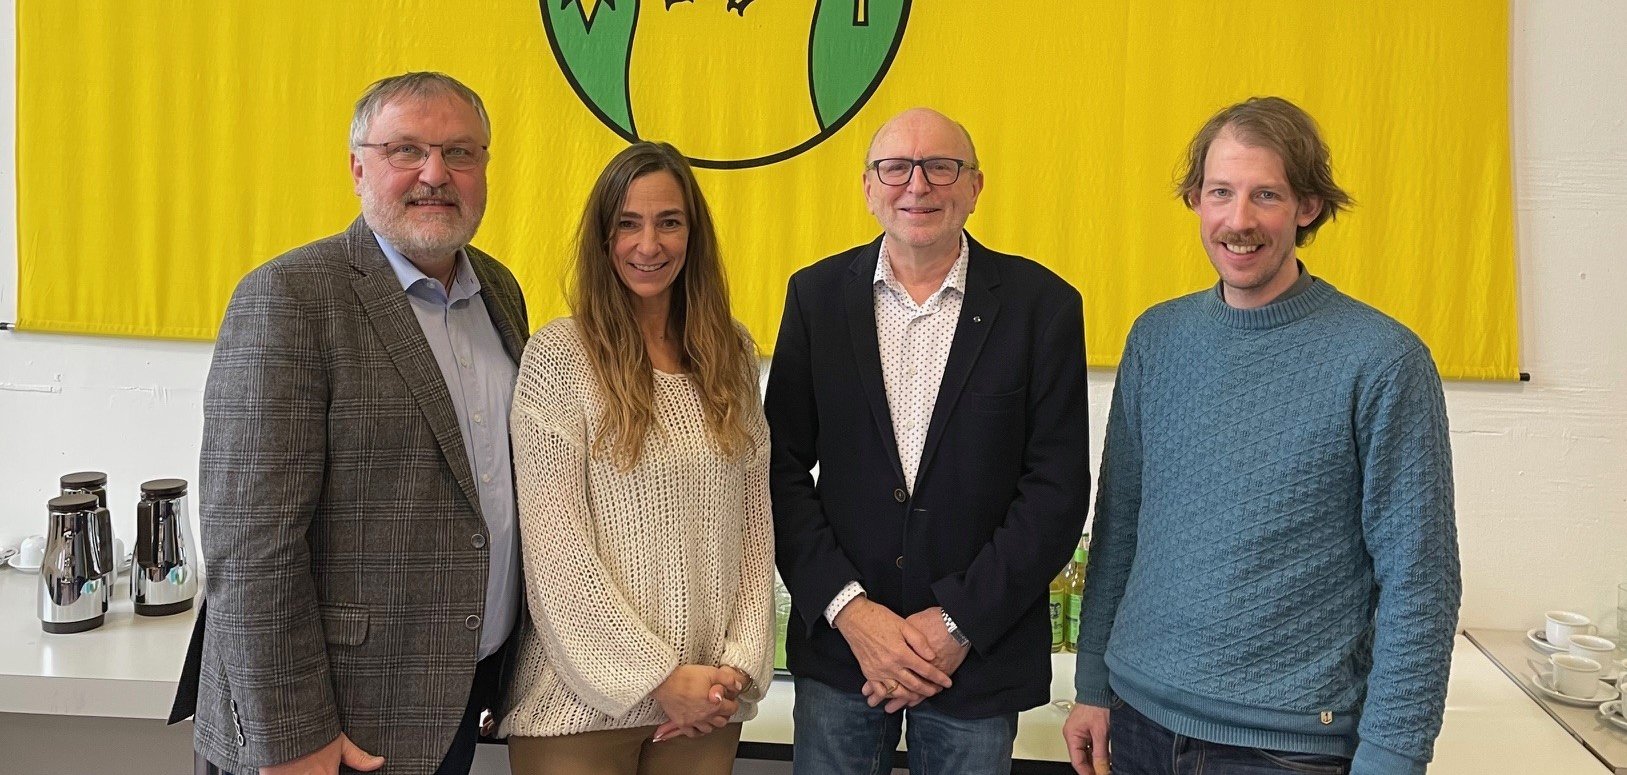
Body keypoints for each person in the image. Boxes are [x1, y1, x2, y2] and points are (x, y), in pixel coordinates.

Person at [1062, 96, 1461, 775]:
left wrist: (1393, 755)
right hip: (1135, 723)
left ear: (1306, 206)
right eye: (1219, 192)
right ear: (1195, 200)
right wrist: (1092, 683)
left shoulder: (1382, 359)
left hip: (1284, 747)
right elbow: (1119, 524)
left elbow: (1419, 580)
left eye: (1265, 195)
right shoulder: (1156, 338)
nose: (1237, 220)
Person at [169, 72, 530, 775]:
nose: (435, 174)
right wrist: (292, 737)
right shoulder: (290, 297)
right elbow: (250, 545)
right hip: (329, 727)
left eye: (460, 152)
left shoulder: (501, 293)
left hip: (448, 700)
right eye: (406, 150)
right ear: (357, 166)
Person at [765, 108, 1091, 774]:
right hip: (842, 653)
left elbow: (1054, 491)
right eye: (895, 167)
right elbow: (779, 469)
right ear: (866, 186)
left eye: (941, 167)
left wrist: (955, 623)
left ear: (975, 186)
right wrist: (852, 614)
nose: (917, 185)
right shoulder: (815, 297)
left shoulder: (1042, 306)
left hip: (974, 658)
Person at [500, 141, 775, 775]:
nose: (648, 244)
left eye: (668, 222)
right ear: (603, 239)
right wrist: (654, 676)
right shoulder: (560, 357)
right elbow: (555, 548)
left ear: (693, 235)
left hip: (706, 707)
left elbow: (756, 530)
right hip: (577, 709)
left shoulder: (728, 354)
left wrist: (737, 664)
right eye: (627, 223)